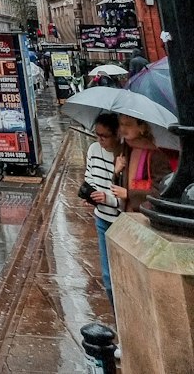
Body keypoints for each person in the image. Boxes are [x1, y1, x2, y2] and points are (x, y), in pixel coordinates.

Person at [84, 113, 123, 307]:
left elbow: (125, 192)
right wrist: (91, 193)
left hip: (120, 221)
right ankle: (116, 313)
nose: (100, 140)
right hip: (101, 218)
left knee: (122, 274)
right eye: (97, 134)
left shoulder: (123, 155)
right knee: (107, 276)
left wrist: (107, 197)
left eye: (104, 136)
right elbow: (89, 175)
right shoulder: (93, 149)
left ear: (116, 134)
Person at [109, 115, 179, 214]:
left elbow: (162, 191)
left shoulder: (156, 155)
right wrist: (116, 172)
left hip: (145, 216)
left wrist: (129, 194)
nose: (123, 129)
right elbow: (117, 188)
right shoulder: (123, 151)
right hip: (126, 214)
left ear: (142, 128)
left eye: (128, 125)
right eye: (121, 124)